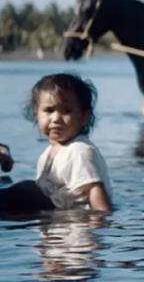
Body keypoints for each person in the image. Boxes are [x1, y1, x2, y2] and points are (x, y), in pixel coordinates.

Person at [0, 73, 112, 214]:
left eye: (67, 111)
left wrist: (101, 218)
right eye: (49, 110)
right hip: (53, 215)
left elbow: (95, 190)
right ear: (36, 115)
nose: (56, 118)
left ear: (84, 116)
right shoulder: (50, 151)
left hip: (69, 220)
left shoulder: (80, 151)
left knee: (23, 191)